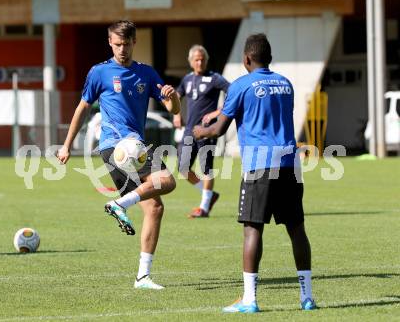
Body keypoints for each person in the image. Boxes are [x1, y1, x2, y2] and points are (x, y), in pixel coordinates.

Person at [193, 33, 316, 312]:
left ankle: (250, 300)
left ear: (246, 59)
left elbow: (218, 130)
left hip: (259, 164)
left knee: (252, 230)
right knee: (297, 229)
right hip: (290, 164)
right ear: (269, 58)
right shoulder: (285, 84)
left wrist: (200, 131)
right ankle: (307, 297)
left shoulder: (241, 85)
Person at [57, 20, 181, 290]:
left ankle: (142, 276)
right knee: (168, 181)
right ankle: (119, 205)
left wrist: (174, 96)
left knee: (155, 207)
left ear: (134, 42)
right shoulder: (99, 73)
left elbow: (172, 109)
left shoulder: (147, 74)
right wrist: (67, 144)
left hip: (134, 147)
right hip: (116, 148)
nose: (122, 49)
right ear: (110, 43)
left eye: (126, 44)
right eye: (117, 44)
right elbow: (82, 108)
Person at [174, 44, 230, 218]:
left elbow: (233, 93)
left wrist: (217, 112)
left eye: (202, 59)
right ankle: (209, 195)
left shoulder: (215, 78)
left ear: (206, 60)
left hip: (207, 131)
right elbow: (177, 96)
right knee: (183, 168)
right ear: (191, 62)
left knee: (206, 169)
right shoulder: (187, 79)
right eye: (196, 60)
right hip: (189, 130)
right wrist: (176, 114)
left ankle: (204, 207)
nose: (200, 62)